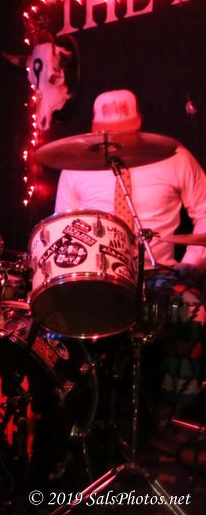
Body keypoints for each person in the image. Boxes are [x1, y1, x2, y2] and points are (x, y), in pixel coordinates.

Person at [54, 88, 206, 413]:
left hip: (156, 273)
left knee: (192, 308)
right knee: (58, 313)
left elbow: (205, 207)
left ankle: (175, 413)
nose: (115, 139)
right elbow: (63, 228)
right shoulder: (75, 167)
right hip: (98, 276)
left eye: (123, 131)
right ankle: (81, 410)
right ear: (95, 129)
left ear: (139, 123)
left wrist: (194, 260)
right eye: (107, 132)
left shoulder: (174, 157)